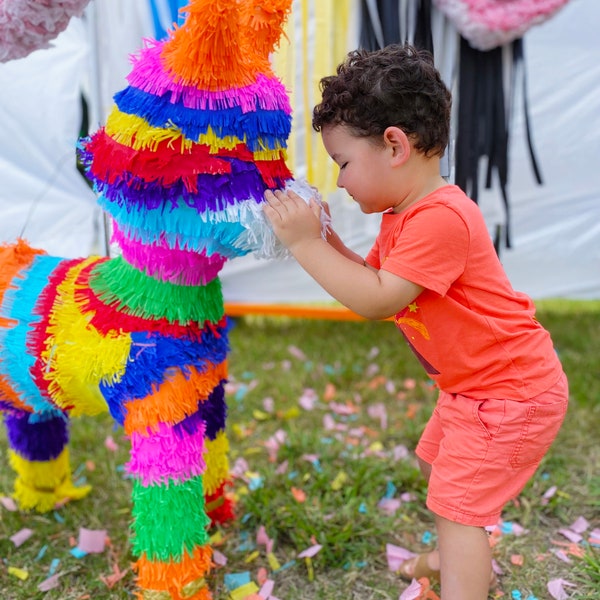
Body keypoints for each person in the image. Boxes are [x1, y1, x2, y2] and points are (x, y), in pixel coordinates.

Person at [263, 44, 568, 600]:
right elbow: (375, 280)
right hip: (475, 389)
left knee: (459, 504)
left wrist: (307, 244)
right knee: (444, 473)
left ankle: (462, 566)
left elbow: (378, 300)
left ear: (395, 145)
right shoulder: (403, 216)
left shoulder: (442, 218)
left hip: (510, 393)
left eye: (344, 164)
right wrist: (326, 240)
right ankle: (458, 552)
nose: (342, 182)